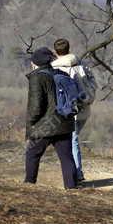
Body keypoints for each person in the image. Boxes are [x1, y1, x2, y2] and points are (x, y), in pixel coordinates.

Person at [24, 47, 77, 189]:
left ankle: (28, 186)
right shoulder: (61, 73)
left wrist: (31, 124)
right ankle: (72, 189)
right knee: (66, 158)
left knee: (32, 154)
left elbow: (36, 106)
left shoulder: (37, 77)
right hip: (65, 123)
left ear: (35, 63)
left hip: (45, 126)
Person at [51, 38, 96, 183]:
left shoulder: (58, 69)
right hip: (85, 109)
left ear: (56, 52)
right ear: (68, 49)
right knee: (73, 139)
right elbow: (93, 84)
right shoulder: (82, 65)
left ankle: (77, 173)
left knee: (72, 140)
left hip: (71, 111)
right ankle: (75, 172)